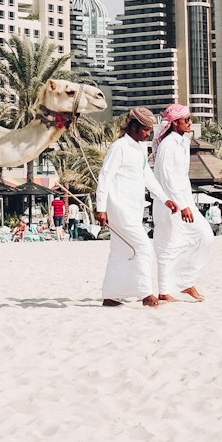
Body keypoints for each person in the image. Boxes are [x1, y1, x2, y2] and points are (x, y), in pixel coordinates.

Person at [95, 107, 175, 308]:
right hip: (119, 208)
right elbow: (105, 176)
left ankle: (110, 296)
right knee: (143, 247)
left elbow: (147, 176)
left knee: (120, 251)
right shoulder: (119, 147)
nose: (148, 134)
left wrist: (165, 198)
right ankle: (145, 294)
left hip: (134, 208)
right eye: (146, 130)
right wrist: (100, 208)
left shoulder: (139, 148)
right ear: (133, 126)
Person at [151, 105, 214, 303]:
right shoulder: (168, 144)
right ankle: (164, 291)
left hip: (185, 201)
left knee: (205, 237)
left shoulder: (183, 142)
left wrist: (187, 203)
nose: (189, 122)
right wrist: (181, 204)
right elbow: (167, 178)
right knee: (167, 246)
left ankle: (185, 281)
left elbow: (181, 177)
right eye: (186, 119)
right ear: (175, 122)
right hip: (169, 203)